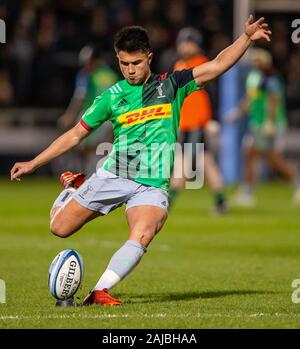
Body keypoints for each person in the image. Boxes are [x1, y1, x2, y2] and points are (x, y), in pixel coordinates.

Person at [10, 16, 271, 306]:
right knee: (59, 229)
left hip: (152, 184)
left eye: (136, 63)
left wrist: (246, 38)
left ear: (149, 58)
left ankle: (99, 291)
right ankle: (73, 189)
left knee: (145, 230)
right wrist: (34, 163)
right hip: (114, 175)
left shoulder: (172, 85)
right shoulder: (112, 97)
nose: (130, 71)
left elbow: (219, 65)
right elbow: (74, 135)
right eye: (124, 64)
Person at [227, 48, 300, 206]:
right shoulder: (254, 76)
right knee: (258, 155)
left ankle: (248, 192)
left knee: (269, 157)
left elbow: (273, 101)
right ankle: (247, 192)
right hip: (257, 122)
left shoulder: (271, 78)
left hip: (268, 123)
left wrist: (269, 122)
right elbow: (251, 98)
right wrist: (237, 113)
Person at [169, 27, 227, 213]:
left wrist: (212, 119)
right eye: (183, 43)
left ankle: (167, 202)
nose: (185, 47)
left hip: (197, 123)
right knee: (205, 161)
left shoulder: (202, 63)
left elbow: (213, 94)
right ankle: (220, 202)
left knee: (184, 162)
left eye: (189, 43)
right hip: (184, 123)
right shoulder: (178, 65)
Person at [56, 45, 119, 175]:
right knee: (101, 148)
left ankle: (88, 176)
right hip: (111, 118)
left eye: (87, 62)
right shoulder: (111, 75)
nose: (86, 65)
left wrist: (69, 115)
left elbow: (80, 97)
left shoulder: (86, 74)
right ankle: (97, 173)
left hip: (92, 116)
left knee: (83, 147)